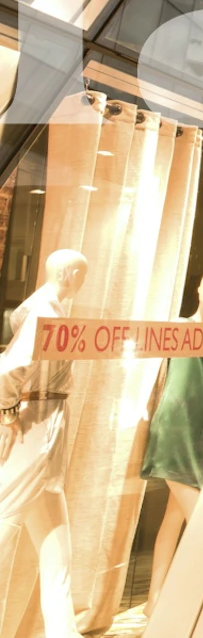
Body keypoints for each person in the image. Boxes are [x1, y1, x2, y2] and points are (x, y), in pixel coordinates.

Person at [0, 249, 90, 638]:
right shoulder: (45, 314)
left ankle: (63, 632)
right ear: (69, 273)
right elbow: (8, 368)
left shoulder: (46, 309)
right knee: (4, 517)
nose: (82, 282)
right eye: (81, 275)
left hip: (46, 424)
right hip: (35, 426)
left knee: (57, 549)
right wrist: (6, 413)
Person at [142, 271, 203, 611]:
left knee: (174, 517)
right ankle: (197, 599)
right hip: (175, 433)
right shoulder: (180, 328)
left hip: (199, 433)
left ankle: (155, 598)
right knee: (200, 520)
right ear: (198, 290)